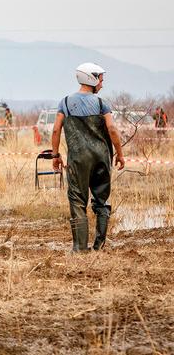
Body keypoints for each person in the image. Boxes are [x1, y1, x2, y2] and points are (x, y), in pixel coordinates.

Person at [51, 62, 125, 252]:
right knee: (102, 201)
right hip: (101, 159)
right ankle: (99, 246)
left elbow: (56, 130)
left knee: (77, 200)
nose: (102, 84)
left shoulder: (65, 103)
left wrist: (55, 155)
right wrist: (120, 154)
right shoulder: (101, 104)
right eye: (101, 80)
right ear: (91, 78)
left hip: (78, 161)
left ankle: (80, 248)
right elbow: (112, 129)